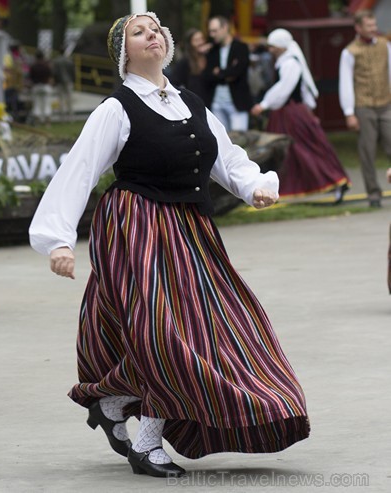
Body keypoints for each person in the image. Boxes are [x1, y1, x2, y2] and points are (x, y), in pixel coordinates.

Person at [29, 12, 309, 478]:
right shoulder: (116, 108)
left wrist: (254, 185)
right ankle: (146, 443)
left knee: (207, 330)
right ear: (124, 52)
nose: (152, 35)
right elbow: (78, 171)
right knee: (165, 332)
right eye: (139, 32)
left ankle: (115, 402)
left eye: (156, 29)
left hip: (191, 229)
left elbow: (227, 158)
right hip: (137, 226)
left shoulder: (191, 103)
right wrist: (58, 241)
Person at [251, 29, 351, 201]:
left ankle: (334, 179)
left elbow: (284, 89)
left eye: (273, 46)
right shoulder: (285, 61)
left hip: (291, 113)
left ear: (281, 47)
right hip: (288, 112)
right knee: (292, 151)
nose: (270, 49)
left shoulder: (290, 63)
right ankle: (283, 187)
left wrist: (264, 104)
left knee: (304, 148)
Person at [339, 10, 390, 208]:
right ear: (358, 28)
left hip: (386, 103)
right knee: (367, 150)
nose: (373, 29)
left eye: (374, 25)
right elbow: (345, 83)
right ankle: (373, 193)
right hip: (364, 105)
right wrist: (349, 112)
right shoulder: (350, 51)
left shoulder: (385, 45)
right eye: (369, 26)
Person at [204, 15, 252, 132]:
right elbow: (208, 75)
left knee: (239, 141)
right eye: (210, 31)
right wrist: (227, 73)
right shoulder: (212, 50)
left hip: (237, 102)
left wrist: (219, 72)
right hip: (217, 103)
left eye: (215, 31)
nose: (212, 35)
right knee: (221, 140)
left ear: (225, 27)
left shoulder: (241, 47)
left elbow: (238, 71)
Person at [169, 28, 210, 102]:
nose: (201, 42)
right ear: (190, 43)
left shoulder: (209, 57)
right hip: (195, 104)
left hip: (212, 104)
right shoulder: (185, 62)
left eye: (202, 39)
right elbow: (173, 83)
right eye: (196, 40)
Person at [29, 50, 54, 125]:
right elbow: (50, 76)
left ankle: (37, 121)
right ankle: (47, 122)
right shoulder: (47, 65)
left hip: (36, 86)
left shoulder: (33, 66)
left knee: (37, 104)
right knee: (47, 103)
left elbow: (31, 77)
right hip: (45, 85)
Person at [52, 47, 75, 121]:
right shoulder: (69, 60)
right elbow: (73, 71)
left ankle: (62, 117)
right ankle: (71, 116)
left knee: (61, 99)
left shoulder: (56, 61)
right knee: (69, 99)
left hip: (59, 82)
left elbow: (54, 72)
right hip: (69, 81)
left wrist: (55, 81)